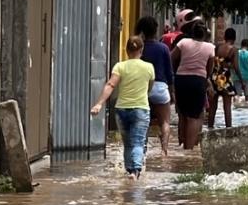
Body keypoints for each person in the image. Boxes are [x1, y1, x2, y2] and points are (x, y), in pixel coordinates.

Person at [90, 36, 156, 178]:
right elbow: (150, 88)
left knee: (127, 143)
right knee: (138, 142)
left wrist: (99, 103)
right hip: (141, 109)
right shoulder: (149, 67)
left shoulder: (120, 66)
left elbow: (110, 85)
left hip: (121, 110)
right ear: (141, 50)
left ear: (126, 50)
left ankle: (129, 170)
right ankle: (135, 171)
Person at [171, 21, 215, 150]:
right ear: (204, 34)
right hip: (198, 81)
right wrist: (206, 79)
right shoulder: (210, 47)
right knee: (194, 117)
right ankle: (189, 150)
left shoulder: (183, 43)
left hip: (181, 80)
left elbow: (171, 57)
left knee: (183, 114)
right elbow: (210, 69)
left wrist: (175, 72)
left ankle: (182, 144)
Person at [135, 16, 175, 158]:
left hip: (143, 89)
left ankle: (142, 152)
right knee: (165, 122)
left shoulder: (139, 48)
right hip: (160, 88)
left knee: (143, 122)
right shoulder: (163, 48)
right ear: (156, 29)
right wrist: (172, 92)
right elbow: (169, 72)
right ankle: (164, 151)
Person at [211, 27, 239, 127]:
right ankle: (229, 129)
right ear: (234, 38)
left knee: (212, 106)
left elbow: (213, 61)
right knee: (227, 107)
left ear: (225, 36)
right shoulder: (234, 50)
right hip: (225, 79)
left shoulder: (217, 46)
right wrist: (241, 81)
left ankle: (210, 127)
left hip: (214, 77)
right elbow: (236, 67)